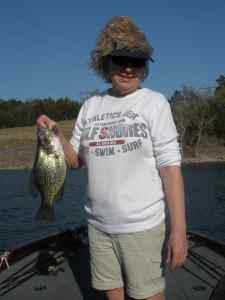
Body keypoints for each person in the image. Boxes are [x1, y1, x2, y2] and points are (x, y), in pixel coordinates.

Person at [37, 16, 187, 300]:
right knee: (112, 295)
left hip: (142, 227)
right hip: (98, 227)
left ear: (145, 67)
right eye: (119, 59)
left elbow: (170, 171)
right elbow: (75, 161)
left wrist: (178, 231)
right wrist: (55, 133)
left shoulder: (154, 103)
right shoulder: (91, 106)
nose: (128, 68)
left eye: (137, 61)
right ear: (105, 64)